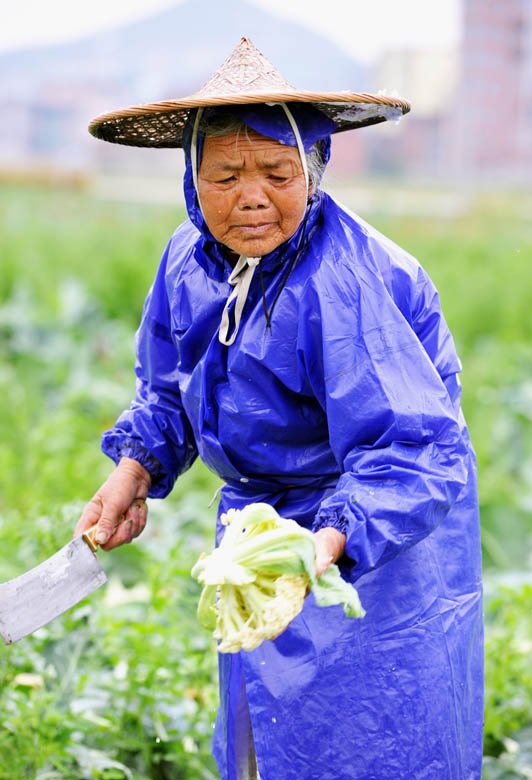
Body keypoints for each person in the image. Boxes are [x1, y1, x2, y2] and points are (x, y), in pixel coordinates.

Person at [77, 37, 483, 780]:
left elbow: (415, 451)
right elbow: (170, 385)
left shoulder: (345, 279)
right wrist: (134, 468)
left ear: (316, 169)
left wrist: (328, 544)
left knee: (371, 738)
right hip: (265, 534)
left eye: (277, 171)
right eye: (224, 174)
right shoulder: (189, 259)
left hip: (378, 540)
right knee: (267, 738)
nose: (251, 196)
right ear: (191, 182)